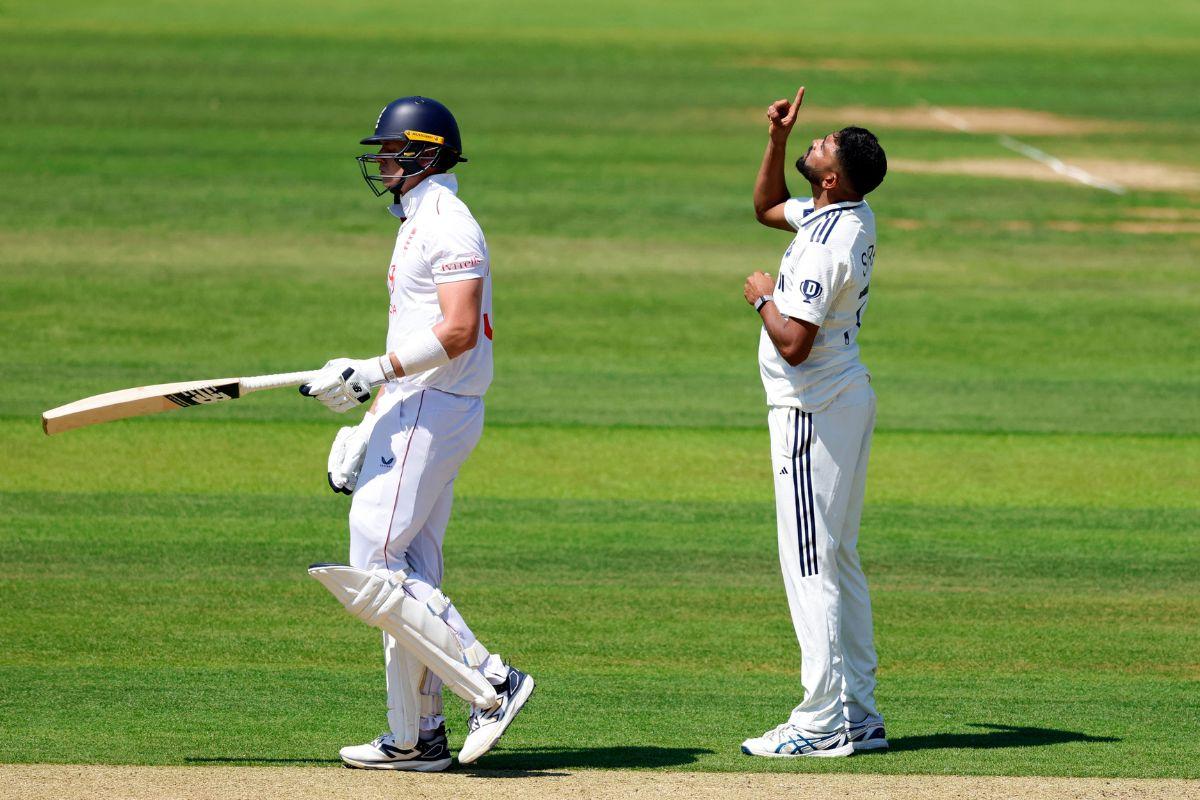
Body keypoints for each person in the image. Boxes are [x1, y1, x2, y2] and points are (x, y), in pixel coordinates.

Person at [299, 95, 533, 771]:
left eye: (389, 151)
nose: (380, 161)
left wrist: (371, 373)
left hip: (436, 404)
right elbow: (414, 332)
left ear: (424, 154)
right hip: (415, 405)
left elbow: (457, 332)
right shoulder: (418, 219)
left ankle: (492, 680)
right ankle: (415, 736)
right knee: (409, 573)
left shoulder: (449, 226)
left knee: (374, 566)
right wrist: (369, 421)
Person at [739, 87, 889, 758]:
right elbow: (768, 207)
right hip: (845, 399)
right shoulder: (842, 214)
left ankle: (822, 722)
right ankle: (859, 711)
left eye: (818, 144)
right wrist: (776, 139)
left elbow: (793, 342)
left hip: (811, 411)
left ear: (829, 179)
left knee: (810, 565)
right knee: (839, 558)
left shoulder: (828, 241)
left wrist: (762, 296)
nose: (813, 140)